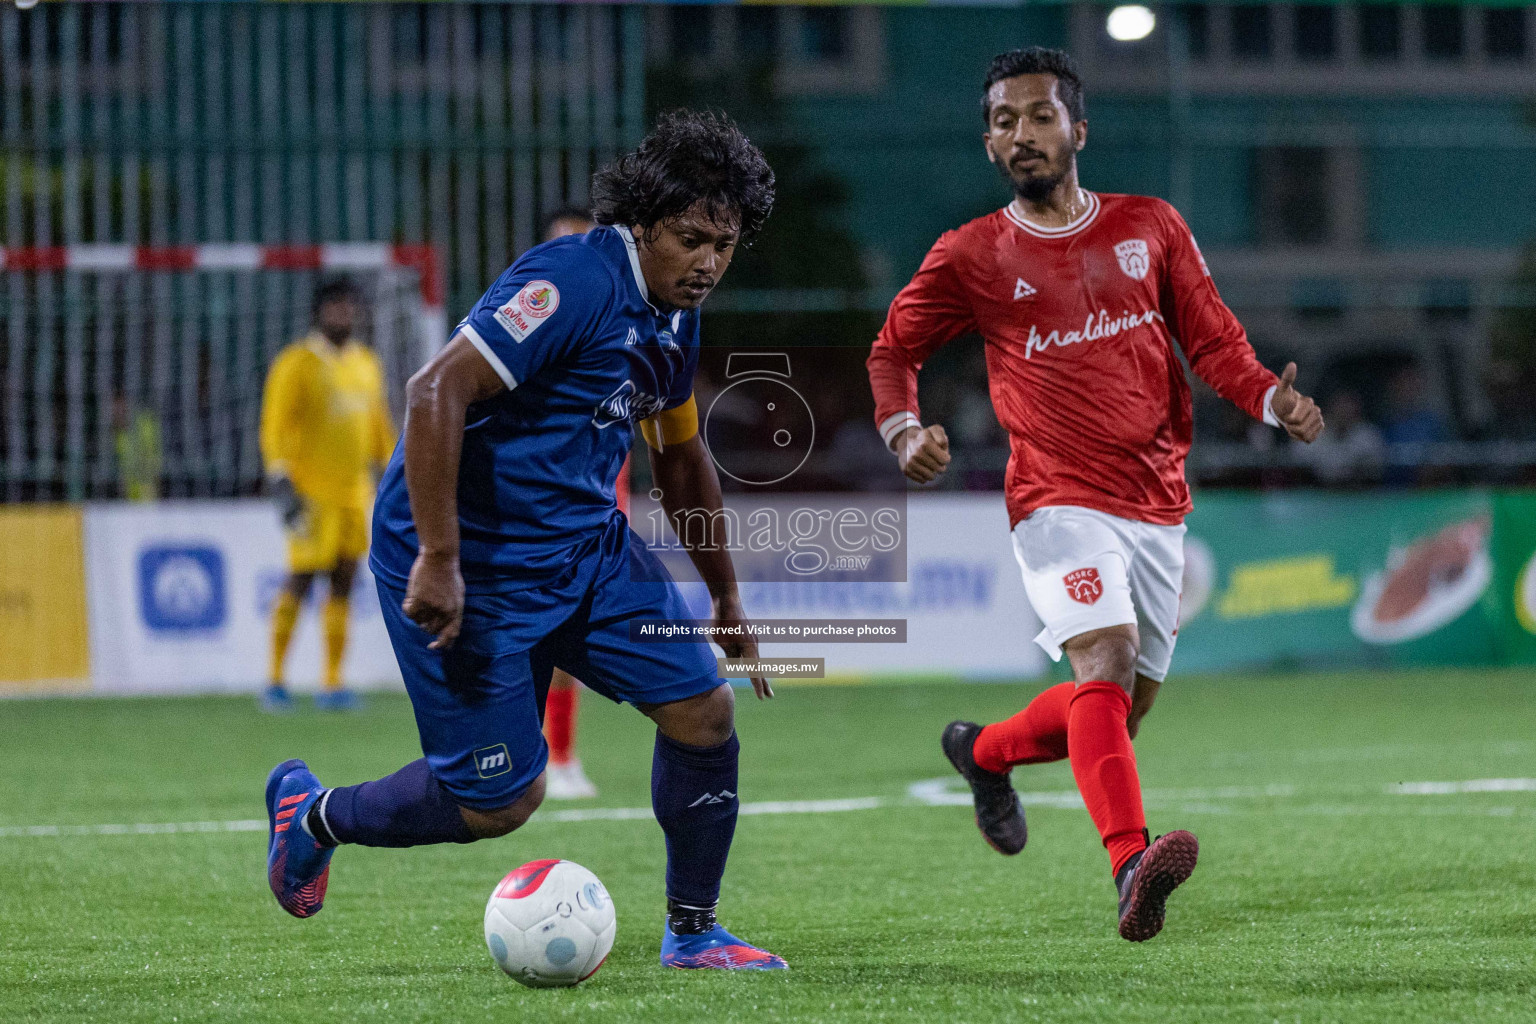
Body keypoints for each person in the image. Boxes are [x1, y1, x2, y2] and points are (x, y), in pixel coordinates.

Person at [263, 111, 788, 971]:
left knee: (704, 710)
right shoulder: (572, 282)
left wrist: (726, 597)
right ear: (642, 222)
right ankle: (313, 815)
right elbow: (436, 391)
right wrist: (438, 556)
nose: (707, 263)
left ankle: (694, 932)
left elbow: (682, 454)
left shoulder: (676, 311)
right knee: (499, 802)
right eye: (691, 239)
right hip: (472, 560)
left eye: (725, 245)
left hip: (584, 549)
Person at [866, 48, 1323, 942]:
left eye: (1039, 116)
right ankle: (1129, 867)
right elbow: (893, 351)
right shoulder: (972, 253)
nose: (1022, 134)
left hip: (1156, 501)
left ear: (1080, 128)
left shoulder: (1150, 226)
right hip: (1054, 497)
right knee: (1104, 664)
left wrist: (1274, 398)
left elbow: (1216, 343)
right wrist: (902, 430)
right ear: (989, 143)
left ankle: (983, 752)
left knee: (1116, 708)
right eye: (1003, 122)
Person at [260, 278, 395, 712]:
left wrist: (398, 472)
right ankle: (275, 678)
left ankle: (332, 682)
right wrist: (280, 477)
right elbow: (276, 424)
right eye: (335, 306)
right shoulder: (298, 362)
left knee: (344, 580)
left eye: (349, 306)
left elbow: (379, 432)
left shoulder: (366, 363)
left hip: (355, 493)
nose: (343, 314)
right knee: (300, 578)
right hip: (311, 492)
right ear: (319, 311)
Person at [539, 206, 605, 800]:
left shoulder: (620, 328)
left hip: (598, 510)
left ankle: (559, 757)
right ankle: (532, 757)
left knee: (568, 638)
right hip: (530, 515)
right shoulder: (526, 326)